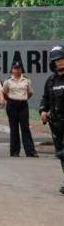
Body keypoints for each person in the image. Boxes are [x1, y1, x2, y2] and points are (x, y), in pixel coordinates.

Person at [39, 46, 64, 194]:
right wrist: (43, 110)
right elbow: (45, 99)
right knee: (61, 154)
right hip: (56, 123)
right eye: (57, 61)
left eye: (61, 59)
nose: (60, 63)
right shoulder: (50, 81)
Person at [3, 61, 38, 157]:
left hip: (23, 105)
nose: (17, 71)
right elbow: (4, 93)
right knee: (14, 128)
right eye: (15, 69)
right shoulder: (8, 81)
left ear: (21, 70)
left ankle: (30, 152)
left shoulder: (26, 80)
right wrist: (11, 100)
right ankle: (14, 151)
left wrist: (22, 99)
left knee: (25, 128)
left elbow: (30, 93)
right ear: (12, 70)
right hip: (12, 105)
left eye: (18, 69)